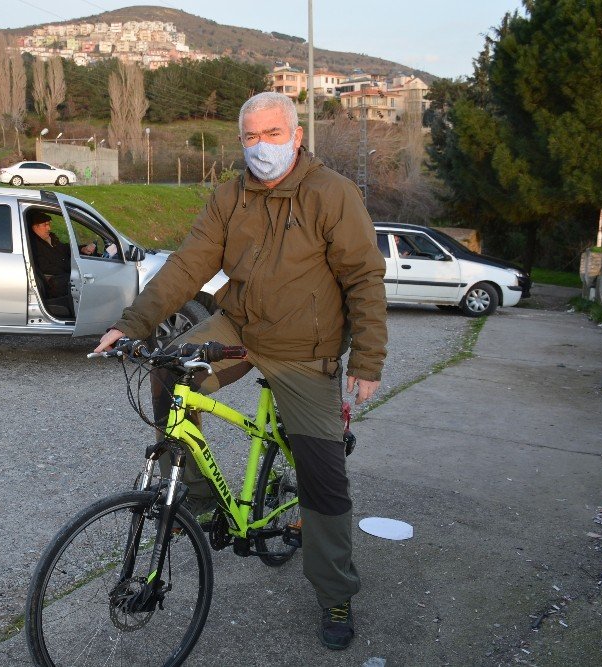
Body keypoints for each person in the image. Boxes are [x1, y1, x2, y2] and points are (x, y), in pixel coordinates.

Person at [94, 91, 387, 652]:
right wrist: (135, 324)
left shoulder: (332, 194)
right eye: (250, 137)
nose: (261, 147)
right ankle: (201, 502)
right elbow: (188, 265)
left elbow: (363, 279)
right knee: (169, 373)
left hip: (306, 348)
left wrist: (368, 358)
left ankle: (335, 594)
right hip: (240, 329)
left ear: (296, 136)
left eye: (272, 134)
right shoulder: (230, 197)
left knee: (323, 479)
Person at [27, 210, 97, 298]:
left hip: (68, 274)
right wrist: (72, 267)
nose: (49, 228)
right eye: (45, 225)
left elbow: (65, 248)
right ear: (35, 227)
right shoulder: (33, 245)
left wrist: (82, 249)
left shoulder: (50, 237)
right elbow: (47, 268)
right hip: (58, 284)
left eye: (49, 224)